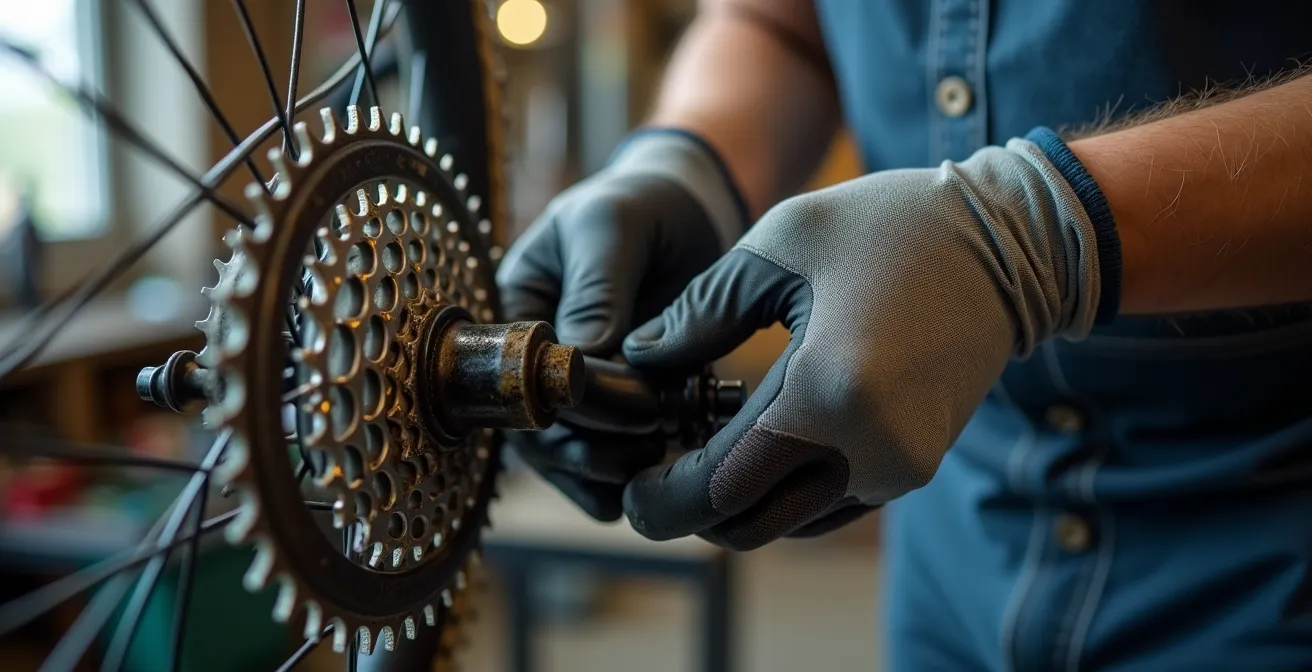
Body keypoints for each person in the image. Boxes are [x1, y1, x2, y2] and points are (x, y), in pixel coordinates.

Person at [496, 1, 1312, 669]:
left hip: (1270, 547)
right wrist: (689, 160)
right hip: (954, 541)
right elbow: (779, 23)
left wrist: (1034, 234)